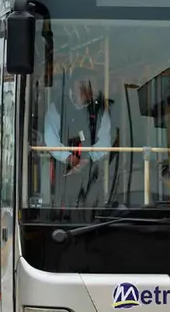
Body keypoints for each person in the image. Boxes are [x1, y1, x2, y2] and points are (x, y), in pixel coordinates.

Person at [39, 68, 114, 212]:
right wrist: (68, 158)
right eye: (85, 85)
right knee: (63, 203)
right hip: (61, 168)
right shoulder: (58, 106)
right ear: (74, 85)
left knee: (90, 206)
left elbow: (105, 141)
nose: (90, 90)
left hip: (91, 168)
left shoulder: (100, 109)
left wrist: (88, 158)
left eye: (93, 85)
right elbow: (51, 138)